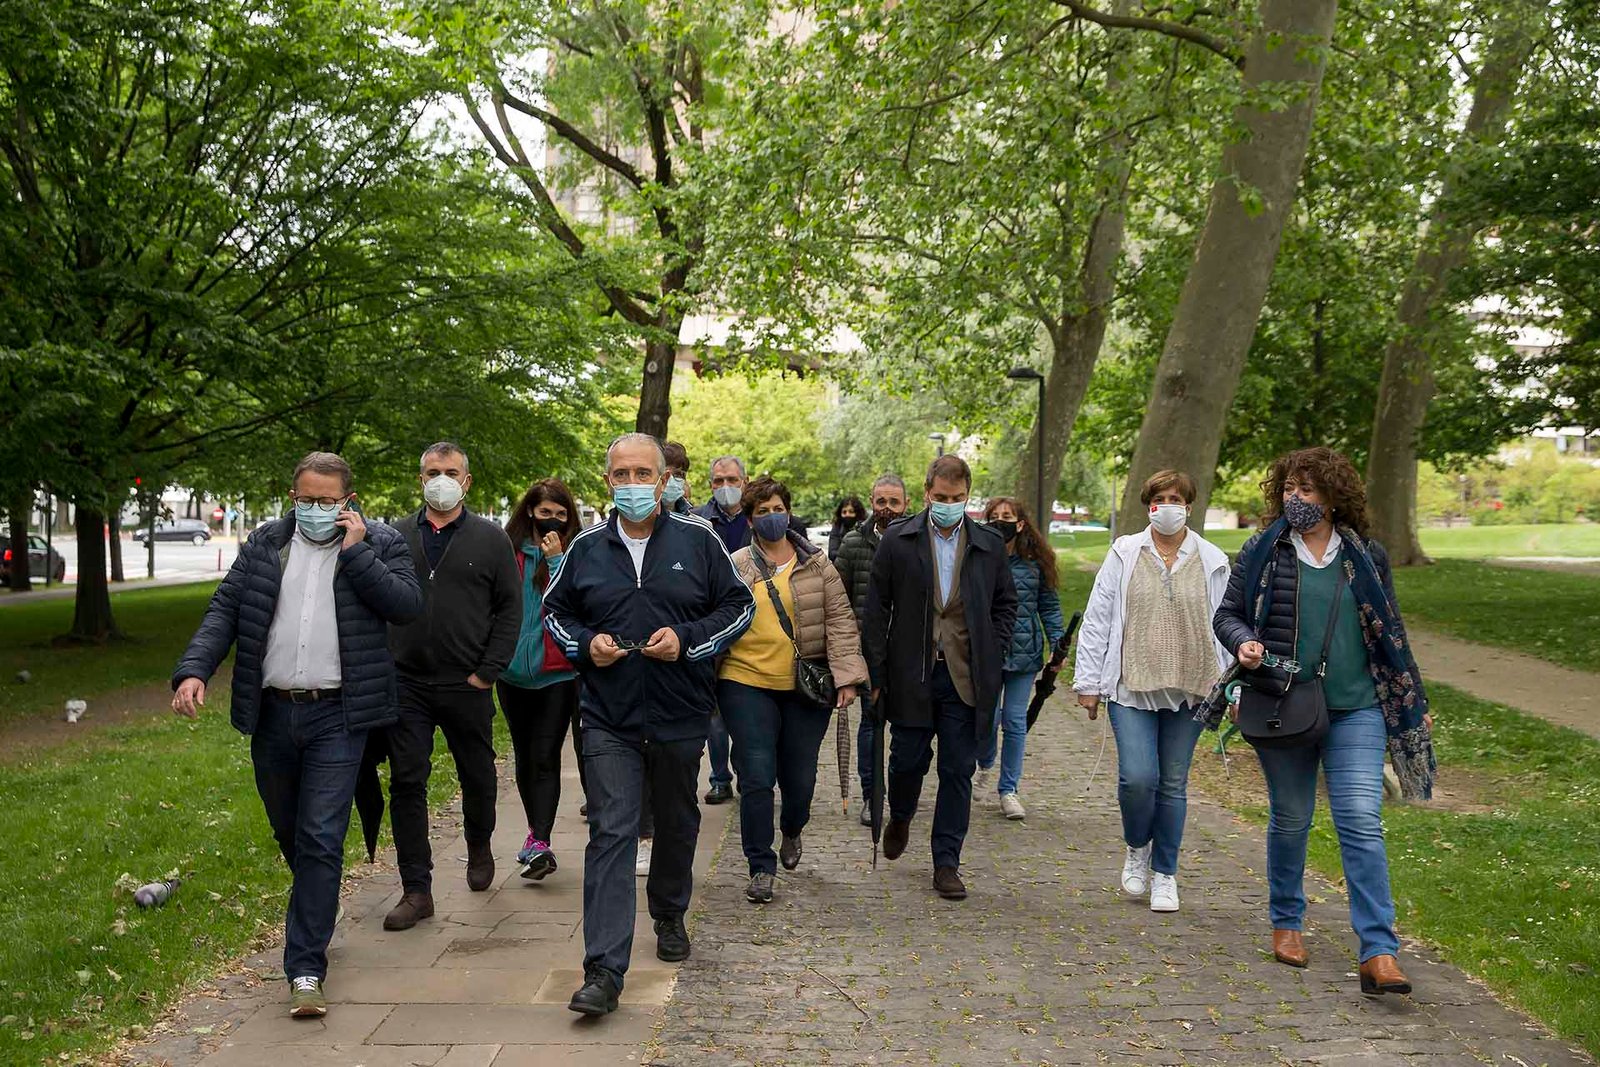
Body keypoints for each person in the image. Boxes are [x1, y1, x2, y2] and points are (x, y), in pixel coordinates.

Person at [170, 452, 421, 1019]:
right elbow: (225, 610)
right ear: (292, 495)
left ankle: (305, 967)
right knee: (292, 830)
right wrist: (193, 669)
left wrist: (357, 555)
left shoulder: (379, 544)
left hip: (339, 714)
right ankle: (317, 899)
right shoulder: (266, 545)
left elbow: (406, 606)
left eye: (327, 502)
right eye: (306, 499)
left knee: (320, 837)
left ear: (348, 502)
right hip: (274, 714)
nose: (314, 510)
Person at [544, 433, 755, 1016]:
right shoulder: (586, 548)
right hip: (607, 715)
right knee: (611, 829)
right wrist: (589, 646)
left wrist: (687, 642)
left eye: (643, 474)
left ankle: (668, 911)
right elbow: (554, 613)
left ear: (663, 481)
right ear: (607, 481)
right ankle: (604, 972)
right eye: (621, 475)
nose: (632, 485)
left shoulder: (699, 540)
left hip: (680, 710)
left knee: (677, 817)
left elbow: (739, 607)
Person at [1213, 446, 1434, 995]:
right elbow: (1227, 614)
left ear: (1334, 498)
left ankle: (1379, 951)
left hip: (1357, 707)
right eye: (1288, 488)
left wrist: (1409, 698)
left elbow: (1388, 626)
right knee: (1291, 818)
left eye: (1307, 490)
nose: (1295, 498)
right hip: (1284, 704)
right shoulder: (1263, 551)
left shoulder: (1366, 556)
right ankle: (1287, 921)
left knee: (1360, 820)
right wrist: (1244, 645)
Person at [1072, 470, 1231, 913]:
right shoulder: (1125, 552)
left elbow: (1225, 626)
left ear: (1189, 506)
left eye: (1176, 498)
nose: (1168, 505)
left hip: (1191, 685)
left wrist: (1232, 685)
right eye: (1160, 498)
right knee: (1139, 778)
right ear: (1149, 505)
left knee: (1174, 783)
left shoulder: (1213, 559)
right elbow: (1099, 617)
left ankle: (1165, 873)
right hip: (1131, 684)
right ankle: (1137, 846)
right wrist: (1087, 682)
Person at [863, 455, 1017, 901]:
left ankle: (946, 861)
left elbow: (1006, 604)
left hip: (967, 676)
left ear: (968, 496)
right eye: (941, 497)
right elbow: (877, 610)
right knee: (907, 761)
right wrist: (875, 671)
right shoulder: (899, 540)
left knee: (957, 770)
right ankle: (902, 814)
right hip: (913, 672)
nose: (949, 505)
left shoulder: (987, 544)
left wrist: (993, 644)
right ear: (927, 493)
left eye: (958, 498)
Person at [383, 442, 522, 931]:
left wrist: (488, 670)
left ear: (466, 482)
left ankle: (479, 845)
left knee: (478, 775)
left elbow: (510, 609)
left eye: (451, 472)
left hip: (468, 682)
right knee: (406, 781)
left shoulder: (490, 539)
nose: (441, 479)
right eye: (432, 472)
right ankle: (416, 890)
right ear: (420, 480)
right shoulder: (395, 536)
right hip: (408, 682)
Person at [721, 476, 868, 904]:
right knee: (756, 775)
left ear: (789, 511)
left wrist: (847, 678)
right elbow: (716, 619)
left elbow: (841, 621)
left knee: (799, 778)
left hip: (807, 686)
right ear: (750, 519)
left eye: (777, 508)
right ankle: (759, 867)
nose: (772, 517)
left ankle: (793, 828)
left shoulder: (818, 565)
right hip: (744, 681)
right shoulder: (735, 566)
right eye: (762, 511)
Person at [497, 477, 582, 881]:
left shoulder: (575, 552)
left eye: (561, 515)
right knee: (525, 754)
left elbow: (579, 600)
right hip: (512, 673)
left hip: (557, 674)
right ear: (530, 511)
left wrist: (557, 560)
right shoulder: (507, 551)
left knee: (546, 755)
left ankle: (541, 841)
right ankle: (534, 835)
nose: (552, 521)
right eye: (545, 512)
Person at [976, 497, 1067, 822]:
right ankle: (985, 761)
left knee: (1015, 721)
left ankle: (1008, 789)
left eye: (1008, 516)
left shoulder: (1034, 564)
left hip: (1025, 653)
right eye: (995, 516)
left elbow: (1050, 607)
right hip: (987, 652)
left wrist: (1059, 645)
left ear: (1020, 523)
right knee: (987, 717)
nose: (1001, 521)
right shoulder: (978, 561)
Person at [835, 473, 909, 825]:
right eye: (881, 501)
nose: (887, 509)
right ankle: (871, 795)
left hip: (910, 651)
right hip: (868, 651)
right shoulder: (853, 544)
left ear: (907, 504)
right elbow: (839, 602)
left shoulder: (916, 542)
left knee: (908, 728)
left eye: (894, 502)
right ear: (872, 501)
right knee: (871, 722)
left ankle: (902, 793)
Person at [693, 454, 750, 805]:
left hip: (751, 623)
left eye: (731, 479)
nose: (725, 487)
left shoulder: (758, 517)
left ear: (744, 481)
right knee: (713, 711)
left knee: (744, 706)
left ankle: (749, 774)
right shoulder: (698, 521)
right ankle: (719, 778)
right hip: (710, 623)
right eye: (718, 481)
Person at [827, 495, 866, 560]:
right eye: (844, 512)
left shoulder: (865, 527)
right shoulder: (837, 528)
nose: (847, 514)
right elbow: (832, 553)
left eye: (851, 512)